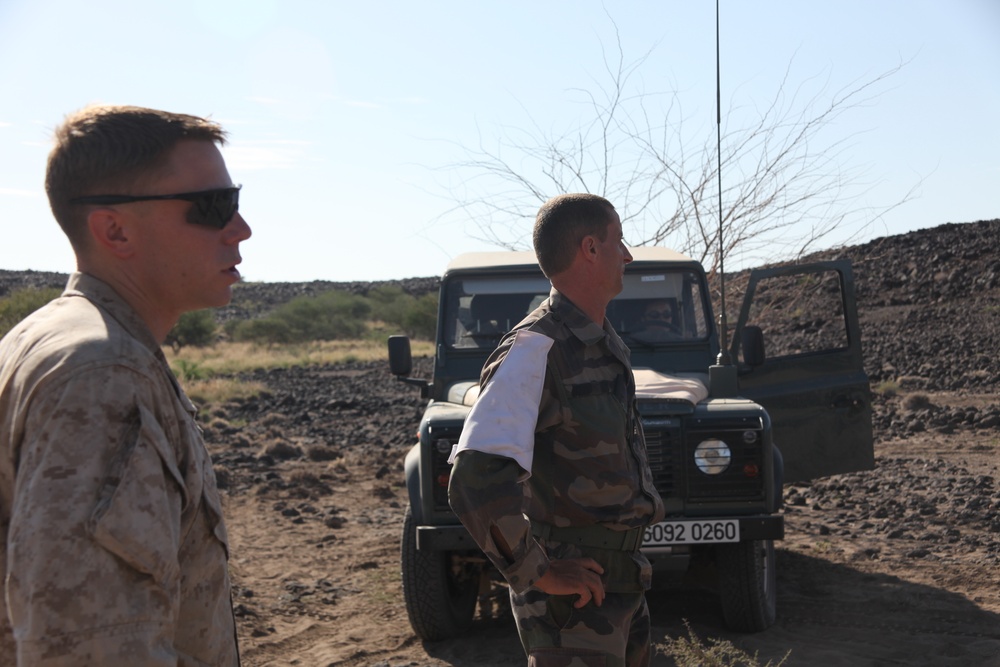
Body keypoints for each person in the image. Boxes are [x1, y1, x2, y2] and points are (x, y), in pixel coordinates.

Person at [0, 105, 251, 665]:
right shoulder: (101, 373)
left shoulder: (56, 339)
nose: (241, 229)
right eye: (214, 207)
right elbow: (88, 648)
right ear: (114, 229)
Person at [448, 193, 665, 667]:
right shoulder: (535, 350)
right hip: (571, 604)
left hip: (618, 584)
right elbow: (474, 479)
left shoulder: (600, 340)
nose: (627, 256)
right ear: (590, 248)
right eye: (619, 241)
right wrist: (539, 573)